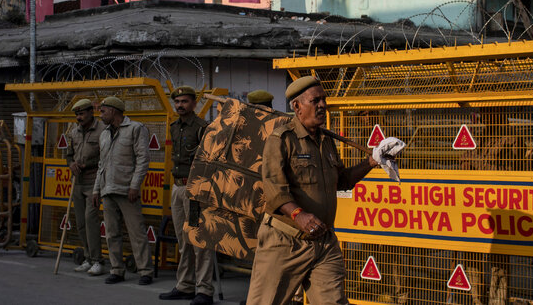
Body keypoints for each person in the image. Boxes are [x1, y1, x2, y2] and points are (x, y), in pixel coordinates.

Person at [246, 76, 380, 305]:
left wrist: (372, 161)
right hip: (285, 242)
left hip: (323, 243)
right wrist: (299, 215)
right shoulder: (281, 139)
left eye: (324, 100)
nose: (322, 105)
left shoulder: (326, 142)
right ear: (297, 106)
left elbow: (343, 181)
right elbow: (274, 189)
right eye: (315, 100)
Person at [159, 86, 214, 305]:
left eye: (184, 101)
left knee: (199, 239)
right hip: (178, 188)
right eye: (177, 102)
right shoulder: (174, 127)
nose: (180, 105)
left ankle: (204, 290)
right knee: (183, 240)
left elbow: (211, 160)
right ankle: (185, 286)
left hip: (195, 189)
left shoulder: (202, 128)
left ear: (193, 104)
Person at [92, 96, 153, 285]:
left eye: (103, 111)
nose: (100, 114)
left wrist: (135, 185)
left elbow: (143, 159)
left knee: (137, 232)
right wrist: (96, 189)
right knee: (111, 233)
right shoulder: (104, 134)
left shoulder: (135, 129)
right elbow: (101, 164)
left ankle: (145, 271)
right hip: (107, 189)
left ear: (114, 111)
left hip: (127, 190)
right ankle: (117, 270)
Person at [66, 99, 104, 276]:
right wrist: (71, 164)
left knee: (91, 220)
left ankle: (97, 260)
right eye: (77, 115)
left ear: (91, 112)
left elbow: (106, 157)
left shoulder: (103, 130)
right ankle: (88, 258)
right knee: (80, 223)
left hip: (94, 181)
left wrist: (88, 163)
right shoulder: (73, 132)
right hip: (78, 182)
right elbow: (67, 155)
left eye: (81, 114)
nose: (79, 118)